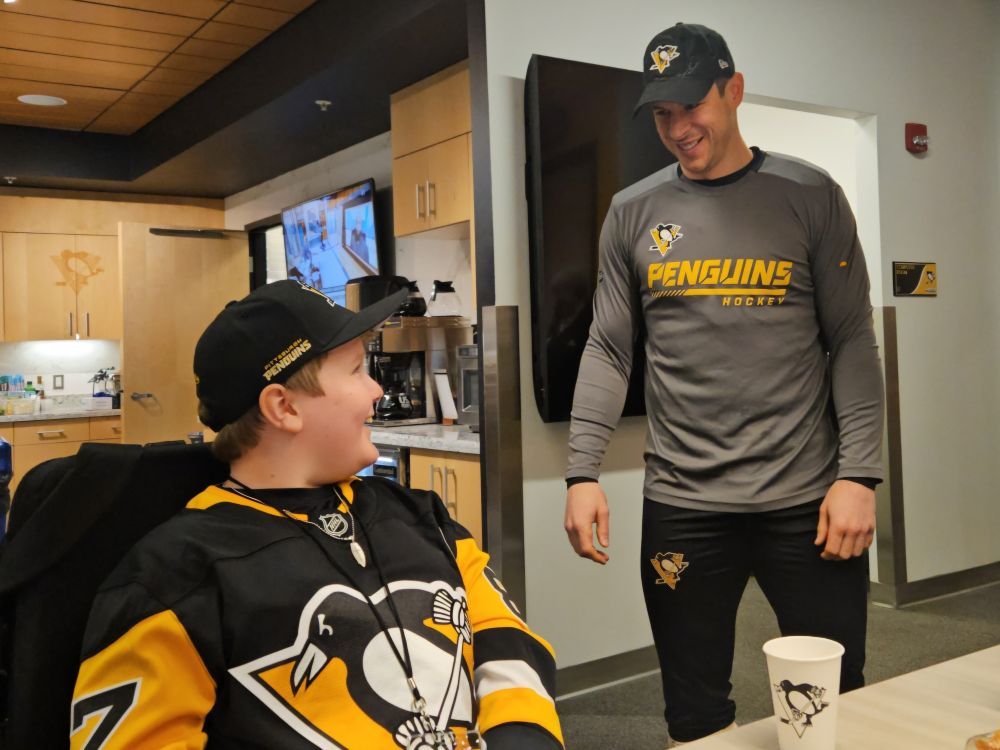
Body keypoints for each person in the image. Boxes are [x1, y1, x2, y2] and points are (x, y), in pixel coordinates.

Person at [563, 22, 884, 747]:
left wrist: (860, 473)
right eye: (662, 114)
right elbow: (609, 347)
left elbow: (852, 340)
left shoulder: (809, 194)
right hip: (683, 503)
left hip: (807, 498)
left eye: (692, 106)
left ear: (732, 90)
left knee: (832, 699)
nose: (678, 128)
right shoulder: (632, 211)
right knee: (694, 709)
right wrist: (582, 472)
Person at [70, 280, 564, 750]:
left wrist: (521, 734)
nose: (375, 391)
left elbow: (504, 633)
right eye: (355, 370)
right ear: (283, 407)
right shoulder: (173, 574)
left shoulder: (421, 517)